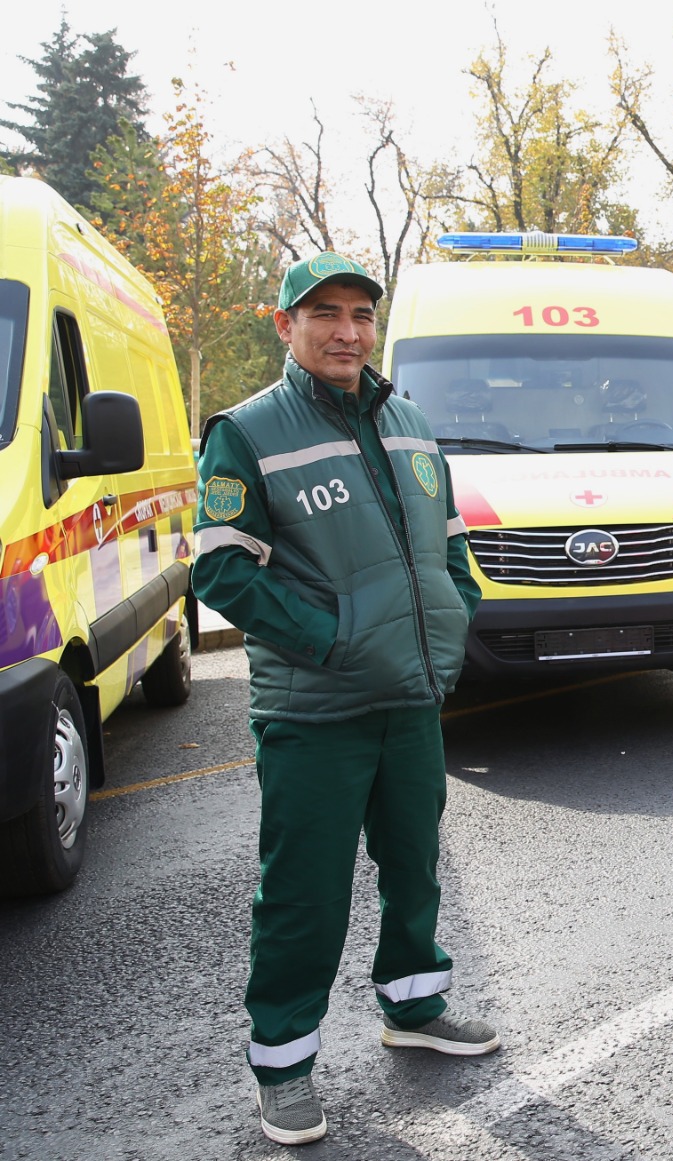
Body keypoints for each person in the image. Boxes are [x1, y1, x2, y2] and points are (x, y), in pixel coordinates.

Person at [192, 252, 496, 1147]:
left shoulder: (406, 418)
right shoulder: (246, 432)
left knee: (415, 863)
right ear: (284, 324)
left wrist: (453, 619)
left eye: (361, 313)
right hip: (313, 710)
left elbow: (448, 545)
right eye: (323, 313)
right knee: (305, 894)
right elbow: (219, 570)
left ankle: (415, 1002)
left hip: (409, 697)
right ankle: (283, 1064)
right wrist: (333, 641)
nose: (346, 331)